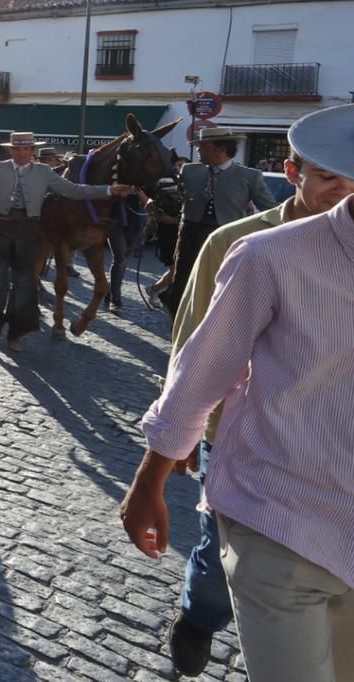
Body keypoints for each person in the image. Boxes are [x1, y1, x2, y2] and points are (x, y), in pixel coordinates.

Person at [121, 104, 354, 682]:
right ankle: (197, 619)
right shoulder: (244, 244)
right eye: (328, 176)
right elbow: (195, 355)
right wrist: (175, 448)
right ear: (296, 172)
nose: (340, 190)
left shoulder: (242, 181)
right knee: (210, 556)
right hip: (251, 460)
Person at [0, 132, 134, 352]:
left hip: (29, 230)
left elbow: (73, 190)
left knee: (24, 283)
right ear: (11, 150)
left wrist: (107, 190)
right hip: (0, 228)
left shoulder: (44, 172)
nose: (22, 153)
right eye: (17, 149)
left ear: (33, 151)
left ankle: (16, 333)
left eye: (26, 149)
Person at [160, 126, 277, 314]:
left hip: (227, 240)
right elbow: (174, 198)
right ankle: (179, 326)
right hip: (189, 236)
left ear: (220, 149)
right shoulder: (189, 170)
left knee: (221, 286)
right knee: (182, 285)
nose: (197, 150)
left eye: (202, 146)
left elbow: (270, 209)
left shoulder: (249, 176)